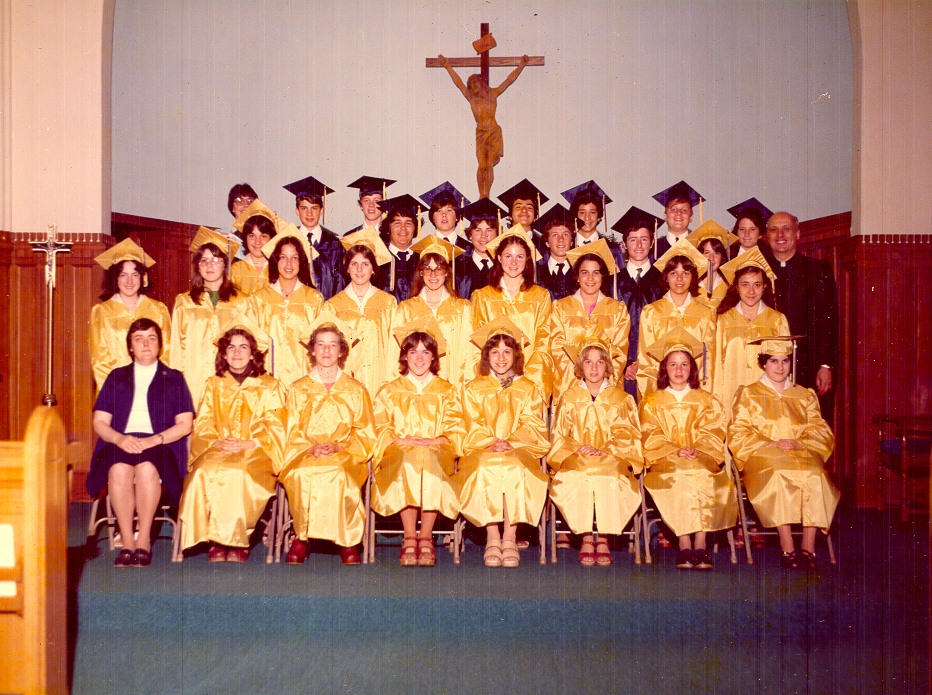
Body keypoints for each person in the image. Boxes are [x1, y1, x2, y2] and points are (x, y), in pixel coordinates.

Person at [87, 318, 194, 567]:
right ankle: (126, 542)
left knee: (146, 469)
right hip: (120, 442)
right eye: (139, 339)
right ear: (130, 347)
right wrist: (120, 438)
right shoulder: (116, 377)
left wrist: (153, 441)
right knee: (118, 469)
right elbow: (100, 421)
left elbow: (185, 424)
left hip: (160, 444)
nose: (145, 344)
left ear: (159, 345)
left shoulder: (174, 378)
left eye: (151, 338)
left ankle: (143, 540)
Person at [178, 322, 286, 562]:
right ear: (224, 354)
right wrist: (216, 442)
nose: (237, 353)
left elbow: (277, 425)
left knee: (238, 473)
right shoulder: (214, 384)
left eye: (243, 347)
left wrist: (250, 444)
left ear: (253, 352)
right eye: (231, 348)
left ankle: (236, 541)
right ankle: (215, 539)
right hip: (219, 446)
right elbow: (203, 423)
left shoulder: (269, 386)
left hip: (257, 451)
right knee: (202, 473)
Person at [728, 339, 839, 570]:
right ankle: (787, 546)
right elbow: (738, 431)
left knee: (816, 475)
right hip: (764, 456)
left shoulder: (805, 395)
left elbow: (819, 429)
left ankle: (807, 549)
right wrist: (771, 444)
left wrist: (800, 444)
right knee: (779, 475)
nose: (780, 367)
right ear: (763, 364)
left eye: (785, 360)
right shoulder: (748, 394)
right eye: (773, 361)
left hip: (802, 453)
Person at [279, 319, 376, 566]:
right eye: (320, 345)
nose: (326, 350)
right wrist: (309, 447)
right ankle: (302, 537)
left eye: (332, 345)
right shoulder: (298, 389)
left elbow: (365, 432)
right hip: (305, 451)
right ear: (312, 350)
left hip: (345, 453)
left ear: (342, 351)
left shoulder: (355, 389)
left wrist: (340, 447)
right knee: (303, 473)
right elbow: (289, 431)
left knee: (340, 473)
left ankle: (347, 541)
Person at [455, 317, 550, 568]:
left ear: (516, 355)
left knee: (515, 467)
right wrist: (490, 442)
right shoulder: (473, 388)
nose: (501, 357)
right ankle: (492, 537)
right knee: (487, 466)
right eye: (495, 352)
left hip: (519, 450)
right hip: (481, 450)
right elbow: (469, 423)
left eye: (507, 351)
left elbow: (534, 425)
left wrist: (511, 442)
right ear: (486, 356)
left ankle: (510, 536)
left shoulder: (528, 388)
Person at [639, 328, 737, 570]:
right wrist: (674, 450)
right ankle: (684, 542)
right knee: (680, 474)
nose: (679, 370)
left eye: (684, 364)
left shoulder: (707, 400)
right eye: (673, 364)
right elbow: (649, 433)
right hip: (666, 461)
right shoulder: (652, 401)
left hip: (701, 457)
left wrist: (699, 450)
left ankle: (701, 542)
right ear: (664, 369)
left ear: (692, 369)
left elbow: (714, 431)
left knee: (701, 473)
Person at [371, 325, 465, 567]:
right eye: (413, 352)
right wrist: (403, 441)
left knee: (429, 460)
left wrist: (434, 441)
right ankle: (409, 536)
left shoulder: (446, 391)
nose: (419, 358)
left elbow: (456, 428)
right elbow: (380, 427)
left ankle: (426, 537)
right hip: (400, 450)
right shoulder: (390, 391)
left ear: (434, 357)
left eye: (425, 352)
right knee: (409, 460)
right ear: (404, 356)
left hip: (438, 450)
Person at [548, 329, 642, 566]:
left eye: (600, 362)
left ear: (609, 366)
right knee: (580, 475)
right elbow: (559, 436)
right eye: (588, 362)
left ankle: (605, 539)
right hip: (576, 459)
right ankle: (587, 538)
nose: (593, 368)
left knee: (608, 475)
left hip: (611, 459)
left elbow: (629, 434)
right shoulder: (568, 398)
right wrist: (578, 448)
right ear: (579, 366)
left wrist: (607, 450)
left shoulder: (622, 399)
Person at [766, 211, 839, 421]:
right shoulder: (758, 272)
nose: (780, 234)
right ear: (766, 236)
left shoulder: (818, 270)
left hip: (810, 362)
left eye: (786, 229)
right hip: (771, 362)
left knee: (812, 425)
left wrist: (826, 365)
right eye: (773, 229)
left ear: (798, 233)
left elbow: (830, 321)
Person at [471, 227, 553, 400]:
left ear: (528, 259)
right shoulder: (483, 296)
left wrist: (523, 378)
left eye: (520, 256)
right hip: (493, 384)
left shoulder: (540, 296)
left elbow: (543, 343)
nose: (514, 262)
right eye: (508, 256)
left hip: (528, 382)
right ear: (499, 258)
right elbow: (479, 344)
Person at [170, 227, 246, 406]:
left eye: (215, 259)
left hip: (231, 381)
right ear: (197, 266)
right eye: (203, 260)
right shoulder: (185, 302)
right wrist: (176, 387)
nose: (209, 265)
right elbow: (175, 349)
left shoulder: (242, 302)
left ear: (225, 264)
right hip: (193, 381)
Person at [437, 54, 530, 199]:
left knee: (489, 164)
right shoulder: (471, 97)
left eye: (475, 82)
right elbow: (458, 83)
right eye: (471, 84)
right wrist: (448, 66)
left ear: (481, 81)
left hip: (494, 132)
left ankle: (487, 194)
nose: (473, 86)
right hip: (481, 133)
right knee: (482, 165)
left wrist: (521, 65)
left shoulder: (493, 93)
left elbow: (509, 80)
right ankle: (482, 194)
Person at [712, 249, 790, 419]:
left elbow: (785, 364)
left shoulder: (777, 320)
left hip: (766, 394)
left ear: (765, 287)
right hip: (731, 393)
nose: (751, 291)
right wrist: (716, 403)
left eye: (757, 284)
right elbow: (717, 366)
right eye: (745, 284)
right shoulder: (724, 320)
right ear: (736, 287)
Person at [549, 239, 630, 397]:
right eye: (584, 273)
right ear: (577, 277)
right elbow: (557, 350)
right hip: (570, 386)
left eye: (596, 272)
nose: (590, 278)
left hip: (606, 388)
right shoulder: (560, 307)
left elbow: (619, 352)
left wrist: (598, 379)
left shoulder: (617, 309)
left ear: (602, 276)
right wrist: (581, 378)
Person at [636, 239, 716, 398]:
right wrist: (654, 398)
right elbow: (646, 361)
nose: (679, 279)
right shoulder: (651, 312)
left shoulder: (706, 313)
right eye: (674, 273)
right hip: (661, 393)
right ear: (665, 277)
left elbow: (709, 361)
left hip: (695, 393)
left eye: (685, 273)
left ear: (693, 278)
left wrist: (701, 395)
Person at [245, 229, 325, 387]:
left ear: (301, 262)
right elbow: (251, 344)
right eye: (283, 257)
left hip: (305, 378)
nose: (289, 264)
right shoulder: (258, 299)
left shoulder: (314, 299)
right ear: (275, 260)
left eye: (294, 258)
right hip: (267, 380)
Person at [323, 228, 397, 396]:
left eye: (365, 264)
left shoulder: (388, 303)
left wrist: (391, 383)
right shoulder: (333, 306)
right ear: (347, 268)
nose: (359, 269)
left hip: (381, 383)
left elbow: (395, 349)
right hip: (345, 383)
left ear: (373, 269)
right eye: (354, 264)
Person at [90, 239, 171, 390]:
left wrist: (159, 387)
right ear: (115, 278)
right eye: (123, 275)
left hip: (153, 387)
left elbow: (166, 352)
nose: (129, 281)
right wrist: (115, 393)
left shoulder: (158, 310)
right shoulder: (102, 312)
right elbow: (99, 359)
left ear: (142, 278)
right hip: (116, 390)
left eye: (134, 275)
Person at [396, 235, 475, 390]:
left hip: (453, 384)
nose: (433, 275)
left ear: (447, 272)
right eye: (428, 269)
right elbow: (397, 355)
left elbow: (469, 353)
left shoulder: (463, 308)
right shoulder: (406, 309)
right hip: (415, 387)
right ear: (420, 273)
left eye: (439, 269)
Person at [611, 206, 666, 400]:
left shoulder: (664, 281)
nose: (639, 245)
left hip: (655, 365)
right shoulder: (612, 282)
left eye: (644, 239)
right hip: (618, 367)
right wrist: (623, 363)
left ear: (652, 243)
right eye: (633, 239)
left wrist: (644, 362)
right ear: (624, 244)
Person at [283, 174, 345, 300]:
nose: (309, 214)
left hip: (327, 310)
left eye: (314, 208)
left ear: (321, 211)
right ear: (297, 211)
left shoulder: (335, 244)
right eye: (304, 208)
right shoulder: (288, 243)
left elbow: (341, 284)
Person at [375, 194, 423, 303]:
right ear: (388, 228)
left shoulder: (424, 260)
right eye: (397, 223)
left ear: (415, 228)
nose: (403, 228)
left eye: (408, 223)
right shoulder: (377, 260)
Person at [454, 197, 505, 300]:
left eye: (489, 230)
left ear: (497, 234)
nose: (483, 236)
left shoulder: (505, 267)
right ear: (470, 234)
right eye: (478, 230)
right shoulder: (458, 268)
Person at [652, 180, 704, 257]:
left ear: (691, 217)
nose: (679, 213)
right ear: (665, 216)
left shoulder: (700, 247)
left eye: (684, 210)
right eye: (673, 209)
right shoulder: (653, 248)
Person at [535, 205, 577, 301]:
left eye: (565, 234)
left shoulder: (580, 273)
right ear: (547, 242)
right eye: (555, 235)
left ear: (571, 242)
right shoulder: (536, 274)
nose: (561, 239)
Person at [497, 178, 549, 255]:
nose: (524, 210)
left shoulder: (544, 245)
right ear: (509, 216)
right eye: (518, 207)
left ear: (535, 217)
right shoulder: (499, 243)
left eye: (529, 207)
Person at [230, 212, 277, 295]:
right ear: (245, 238)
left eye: (263, 236)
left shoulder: (278, 268)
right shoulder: (235, 269)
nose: (257, 242)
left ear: (271, 239)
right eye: (252, 236)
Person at [421, 181, 471, 250]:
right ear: (432, 218)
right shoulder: (423, 248)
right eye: (439, 211)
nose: (444, 215)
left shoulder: (469, 249)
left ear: (457, 217)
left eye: (449, 210)